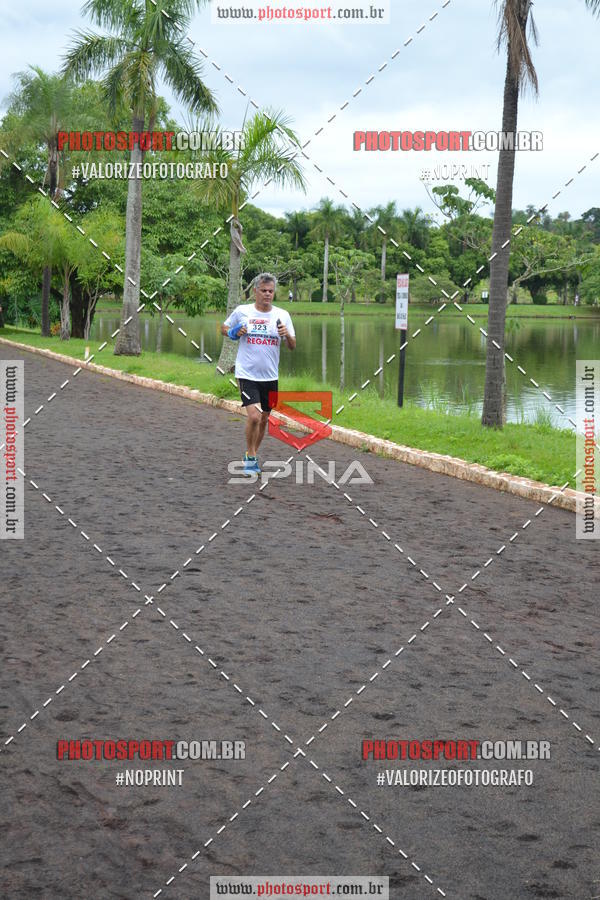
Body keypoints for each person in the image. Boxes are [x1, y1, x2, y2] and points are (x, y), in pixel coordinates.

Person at [221, 273, 296, 475]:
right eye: (263, 291)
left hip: (270, 377)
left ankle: (252, 454)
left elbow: (292, 346)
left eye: (270, 291)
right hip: (247, 374)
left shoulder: (282, 315)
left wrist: (286, 334)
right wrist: (233, 332)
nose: (267, 294)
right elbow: (224, 328)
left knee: (264, 419)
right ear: (255, 291)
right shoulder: (243, 311)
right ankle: (251, 456)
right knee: (253, 416)